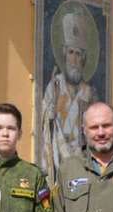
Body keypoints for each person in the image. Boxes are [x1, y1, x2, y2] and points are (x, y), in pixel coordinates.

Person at [38, 9, 98, 188]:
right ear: (64, 53)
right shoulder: (54, 87)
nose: (74, 59)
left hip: (81, 166)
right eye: (71, 52)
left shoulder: (89, 93)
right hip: (57, 162)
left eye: (78, 54)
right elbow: (46, 126)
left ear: (84, 58)